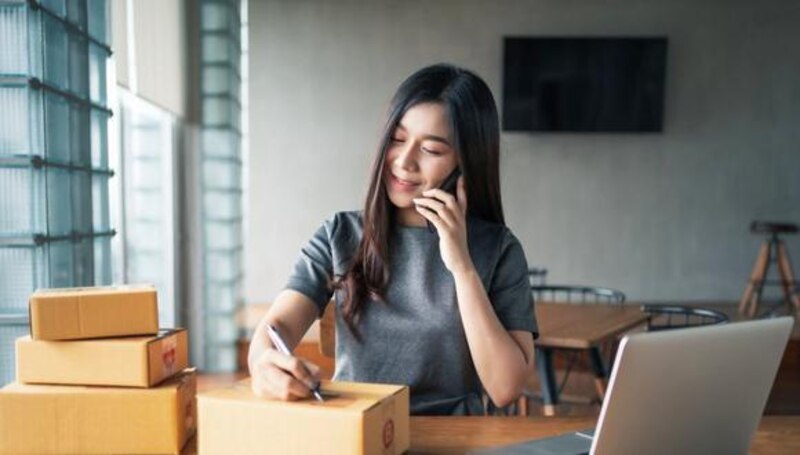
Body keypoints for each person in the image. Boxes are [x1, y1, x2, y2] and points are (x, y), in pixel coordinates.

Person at [248, 63, 538, 415]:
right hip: (359, 432)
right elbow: (274, 330)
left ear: (465, 164)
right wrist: (264, 362)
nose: (404, 161)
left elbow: (505, 388)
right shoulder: (339, 235)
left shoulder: (499, 249)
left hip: (454, 438)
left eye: (431, 150)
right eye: (397, 139)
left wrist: (462, 267)